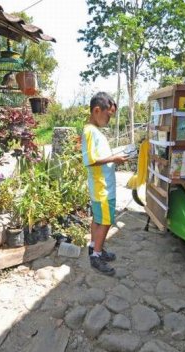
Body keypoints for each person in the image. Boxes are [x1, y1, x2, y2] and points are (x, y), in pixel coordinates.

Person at [81, 92, 129, 276]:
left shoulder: (93, 131)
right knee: (106, 221)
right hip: (103, 187)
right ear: (96, 110)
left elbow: (97, 156)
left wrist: (113, 156)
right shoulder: (90, 132)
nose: (109, 118)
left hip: (100, 185)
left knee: (98, 219)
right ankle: (97, 256)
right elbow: (91, 160)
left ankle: (94, 247)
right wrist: (114, 158)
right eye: (108, 115)